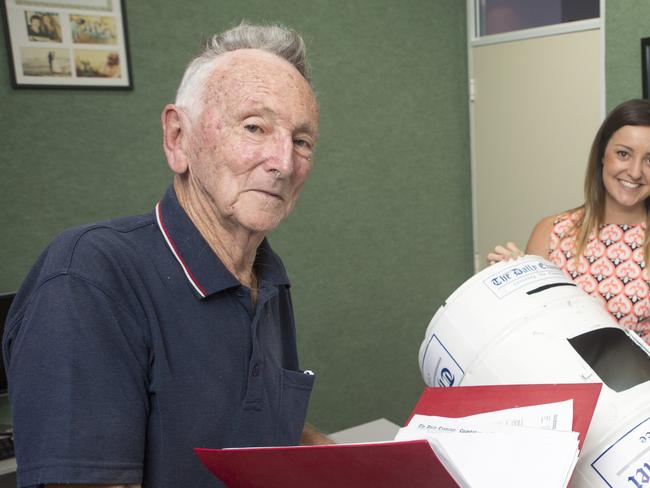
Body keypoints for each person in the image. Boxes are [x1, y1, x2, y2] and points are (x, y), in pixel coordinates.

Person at [4, 22, 331, 488]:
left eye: (301, 141)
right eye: (254, 126)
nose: (283, 162)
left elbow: (253, 430)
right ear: (178, 138)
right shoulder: (86, 280)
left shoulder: (267, 276)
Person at [488, 99, 650, 344]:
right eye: (623, 154)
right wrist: (512, 282)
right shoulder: (552, 233)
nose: (635, 172)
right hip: (557, 380)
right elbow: (529, 334)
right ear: (602, 156)